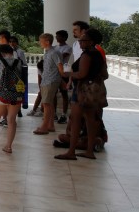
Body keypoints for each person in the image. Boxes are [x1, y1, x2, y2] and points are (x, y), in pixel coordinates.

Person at [56, 28, 108, 160]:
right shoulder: (98, 54)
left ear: (90, 41)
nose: (79, 42)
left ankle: (71, 151)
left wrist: (65, 74)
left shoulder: (86, 55)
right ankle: (89, 151)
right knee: (90, 121)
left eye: (83, 40)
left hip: (82, 90)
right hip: (94, 91)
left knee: (76, 121)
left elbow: (81, 74)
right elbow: (105, 75)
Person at [33, 33, 64, 135]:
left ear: (47, 41)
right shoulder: (48, 52)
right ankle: (50, 125)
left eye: (41, 41)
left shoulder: (54, 52)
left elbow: (60, 68)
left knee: (46, 103)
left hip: (51, 80)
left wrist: (63, 80)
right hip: (47, 80)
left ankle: (44, 127)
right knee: (49, 103)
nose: (39, 43)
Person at [54, 29, 72, 123]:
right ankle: (54, 114)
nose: (57, 38)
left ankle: (64, 114)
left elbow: (61, 57)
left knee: (64, 93)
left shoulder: (68, 48)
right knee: (54, 93)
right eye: (56, 36)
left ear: (64, 37)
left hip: (63, 72)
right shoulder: (55, 47)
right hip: (55, 72)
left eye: (59, 36)